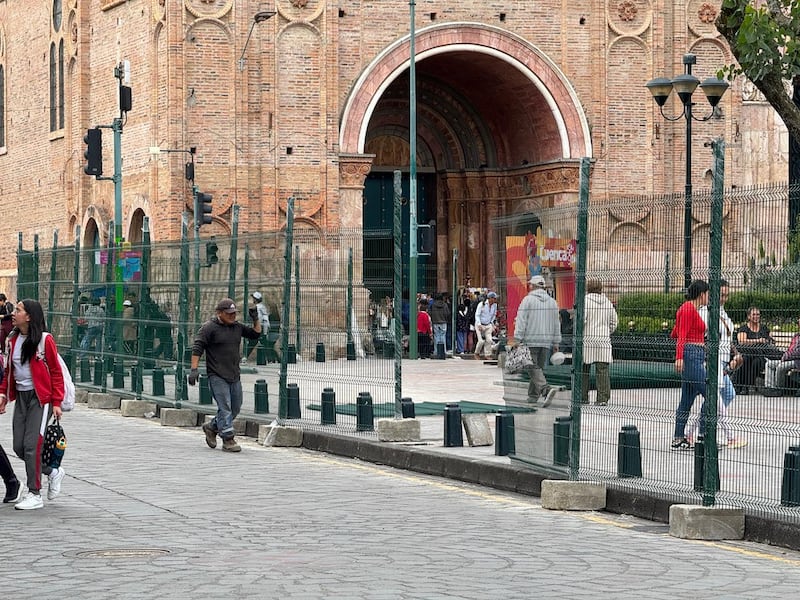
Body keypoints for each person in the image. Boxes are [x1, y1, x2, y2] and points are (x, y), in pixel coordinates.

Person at [0, 299, 66, 510]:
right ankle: (52, 471)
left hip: (40, 398)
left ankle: (34, 493)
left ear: (29, 316)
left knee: (32, 446)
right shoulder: (12, 339)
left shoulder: (45, 340)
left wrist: (57, 402)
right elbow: (9, 371)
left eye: (18, 310)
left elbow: (56, 373)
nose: (14, 313)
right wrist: (3, 394)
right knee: (19, 446)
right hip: (21, 397)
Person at [189, 298, 261, 452]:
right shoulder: (209, 328)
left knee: (235, 407)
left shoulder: (237, 327)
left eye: (234, 313)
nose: (232, 316)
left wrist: (255, 318)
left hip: (234, 374)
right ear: (219, 313)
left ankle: (211, 427)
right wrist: (194, 369)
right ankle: (228, 439)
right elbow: (198, 347)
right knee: (225, 407)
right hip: (217, 375)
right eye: (228, 314)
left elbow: (255, 334)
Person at [692, 280, 747, 448]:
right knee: (716, 398)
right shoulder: (705, 312)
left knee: (723, 396)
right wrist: (708, 357)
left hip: (723, 359)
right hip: (712, 360)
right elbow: (701, 336)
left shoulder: (721, 312)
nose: (725, 298)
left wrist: (736, 354)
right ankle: (727, 436)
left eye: (727, 295)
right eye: (722, 295)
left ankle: (693, 431)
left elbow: (726, 337)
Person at [671, 279, 709, 450]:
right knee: (711, 395)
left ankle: (678, 438)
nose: (709, 297)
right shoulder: (688, 309)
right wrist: (679, 357)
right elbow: (681, 335)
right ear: (702, 294)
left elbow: (675, 332)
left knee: (686, 400)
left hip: (693, 354)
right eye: (708, 294)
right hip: (692, 355)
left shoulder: (687, 309)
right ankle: (703, 435)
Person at [514, 275, 561, 407]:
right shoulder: (553, 302)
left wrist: (518, 338)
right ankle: (533, 396)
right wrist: (556, 342)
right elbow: (556, 323)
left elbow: (521, 320)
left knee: (531, 367)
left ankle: (545, 389)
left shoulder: (527, 300)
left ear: (532, 286)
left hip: (531, 339)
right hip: (546, 341)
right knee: (538, 368)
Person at [581, 280, 618, 406]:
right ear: (600, 289)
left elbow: (582, 320)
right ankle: (602, 398)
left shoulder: (585, 301)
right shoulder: (607, 302)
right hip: (603, 339)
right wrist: (607, 331)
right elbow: (614, 322)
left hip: (588, 339)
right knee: (602, 370)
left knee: (583, 368)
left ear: (588, 288)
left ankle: (582, 396)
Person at [734, 306, 776, 394]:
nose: (756, 316)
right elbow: (741, 341)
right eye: (754, 314)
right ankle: (739, 386)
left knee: (757, 362)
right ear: (749, 316)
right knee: (745, 359)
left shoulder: (764, 328)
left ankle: (746, 386)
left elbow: (771, 339)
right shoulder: (744, 328)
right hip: (748, 352)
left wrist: (769, 340)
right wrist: (758, 341)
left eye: (758, 314)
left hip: (761, 354)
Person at [762, 318, 800, 396]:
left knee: (781, 366)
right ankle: (770, 388)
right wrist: (786, 355)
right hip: (789, 358)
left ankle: (779, 389)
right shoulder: (796, 336)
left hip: (797, 361)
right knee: (769, 364)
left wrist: (786, 356)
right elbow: (790, 349)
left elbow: (798, 352)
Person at [243, 291, 270, 364]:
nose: (252, 299)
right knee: (264, 344)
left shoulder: (257, 307)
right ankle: (271, 359)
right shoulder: (262, 307)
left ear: (256, 299)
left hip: (258, 327)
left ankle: (244, 358)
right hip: (262, 328)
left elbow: (258, 318)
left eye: (253, 298)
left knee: (251, 343)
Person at [474, 291, 499, 359]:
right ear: (490, 298)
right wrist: (479, 324)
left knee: (489, 340)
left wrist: (491, 323)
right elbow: (477, 315)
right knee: (481, 341)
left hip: (488, 324)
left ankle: (487, 354)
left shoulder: (495, 305)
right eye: (494, 298)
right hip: (480, 324)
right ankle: (477, 353)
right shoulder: (482, 304)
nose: (495, 300)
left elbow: (494, 314)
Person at [429, 293, 450, 359]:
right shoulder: (445, 305)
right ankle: (443, 351)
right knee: (443, 336)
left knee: (436, 336)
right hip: (443, 322)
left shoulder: (433, 305)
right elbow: (447, 313)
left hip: (435, 322)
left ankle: (436, 351)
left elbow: (430, 313)